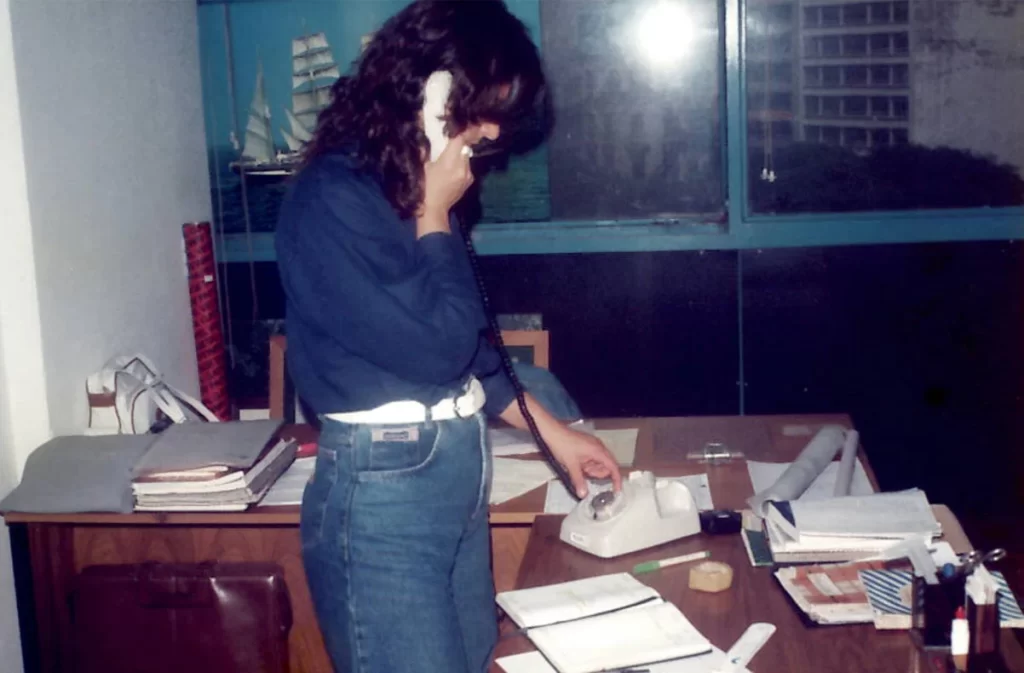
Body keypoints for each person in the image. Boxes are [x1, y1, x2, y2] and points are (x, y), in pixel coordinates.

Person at [274, 2, 622, 672]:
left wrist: (554, 433)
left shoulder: (406, 182)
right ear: (427, 89)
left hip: (452, 475)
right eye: (481, 107)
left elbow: (470, 355)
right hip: (384, 494)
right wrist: (436, 214)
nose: (491, 129)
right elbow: (439, 346)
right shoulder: (332, 199)